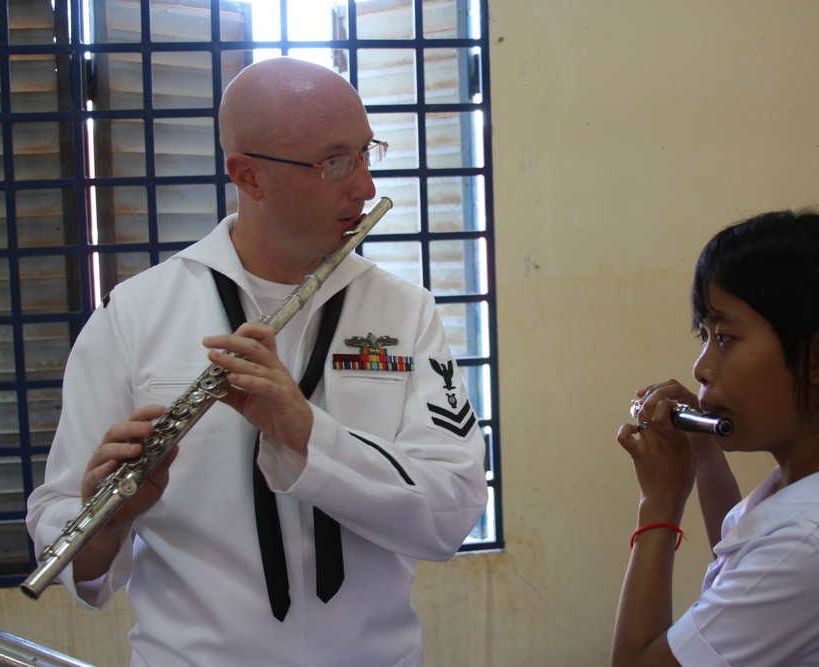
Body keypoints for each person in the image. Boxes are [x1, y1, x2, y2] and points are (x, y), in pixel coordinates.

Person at [26, 57, 488, 667]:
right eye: (333, 162)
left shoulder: (405, 313)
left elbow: (449, 515)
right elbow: (61, 526)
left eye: (365, 152)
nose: (366, 187)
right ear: (248, 175)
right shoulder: (135, 314)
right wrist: (109, 521)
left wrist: (307, 435)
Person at [610, 210, 819, 666]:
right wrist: (704, 458)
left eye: (724, 337)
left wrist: (659, 506)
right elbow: (742, 555)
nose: (701, 368)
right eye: (703, 335)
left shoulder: (809, 544)